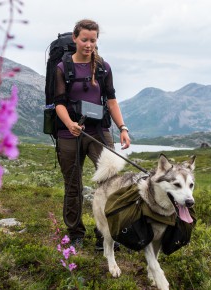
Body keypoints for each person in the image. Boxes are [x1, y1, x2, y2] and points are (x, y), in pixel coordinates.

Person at [53, 19, 131, 248]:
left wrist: (123, 128)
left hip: (99, 132)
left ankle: (104, 236)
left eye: (93, 40)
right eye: (84, 40)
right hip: (69, 135)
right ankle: (76, 234)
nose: (89, 45)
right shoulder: (62, 68)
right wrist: (69, 124)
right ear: (75, 39)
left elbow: (112, 100)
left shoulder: (104, 68)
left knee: (109, 183)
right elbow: (58, 103)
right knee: (73, 185)